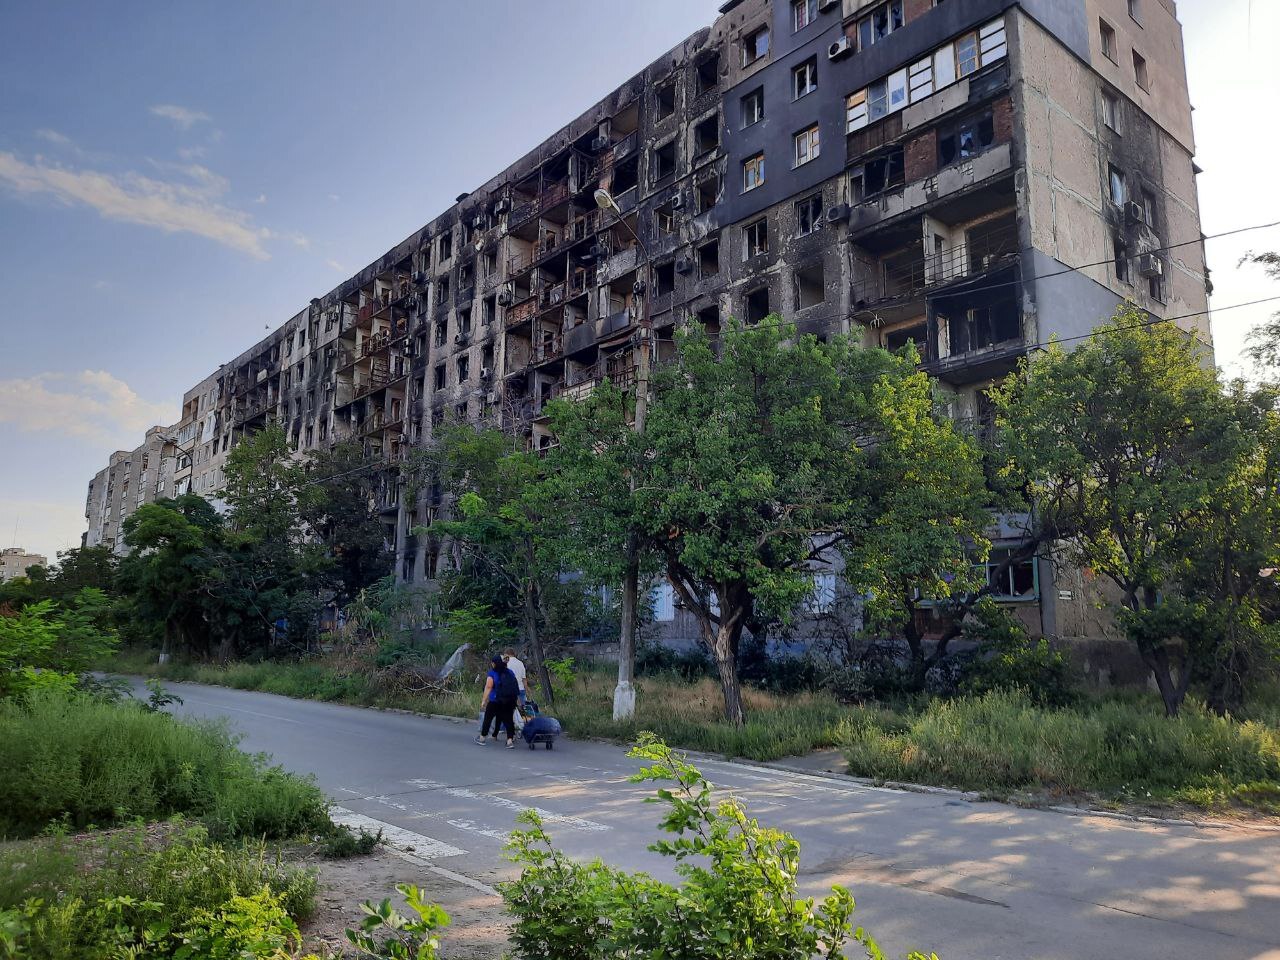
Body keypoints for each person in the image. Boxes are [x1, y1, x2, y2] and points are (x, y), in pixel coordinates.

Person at [476, 654, 519, 748]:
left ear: (494, 663)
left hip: (495, 700)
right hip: (509, 700)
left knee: (488, 719)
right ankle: (509, 741)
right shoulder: (510, 672)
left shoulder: (492, 673)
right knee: (509, 720)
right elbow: (514, 686)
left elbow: (488, 687)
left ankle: (482, 738)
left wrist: (484, 700)